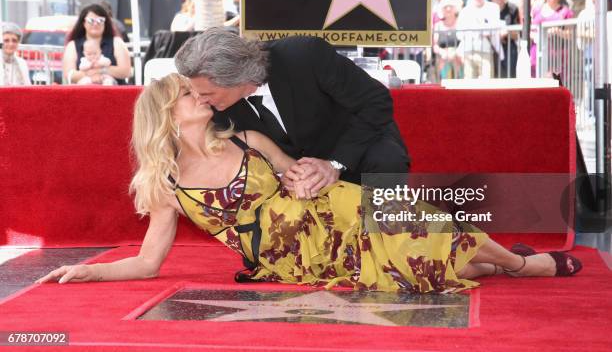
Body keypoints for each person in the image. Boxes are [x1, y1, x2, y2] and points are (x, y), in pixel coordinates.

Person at [36, 74, 582, 290]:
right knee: (428, 267)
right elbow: (148, 262)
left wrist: (302, 172)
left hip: (333, 208)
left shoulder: (245, 138)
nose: (200, 94)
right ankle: (503, 261)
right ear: (165, 116)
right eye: (186, 94)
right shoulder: (167, 184)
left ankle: (521, 263)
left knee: (423, 220)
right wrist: (92, 272)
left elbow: (297, 167)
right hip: (297, 255)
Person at [173, 28, 410, 195]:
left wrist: (336, 163)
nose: (200, 100)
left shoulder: (304, 55)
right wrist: (281, 176)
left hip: (353, 148)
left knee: (386, 159)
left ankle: (390, 249)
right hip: (292, 170)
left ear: (235, 79)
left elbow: (376, 102)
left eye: (207, 94)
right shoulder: (215, 109)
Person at [62, 3, 131, 85]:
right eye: (91, 21)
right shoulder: (72, 45)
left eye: (100, 20)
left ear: (105, 23)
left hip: (114, 92)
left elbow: (126, 71)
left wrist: (101, 70)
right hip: (84, 93)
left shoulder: (117, 42)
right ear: (84, 23)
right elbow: (68, 74)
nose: (95, 24)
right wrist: (90, 75)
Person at [530, 0, 574, 78]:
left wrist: (557, 31)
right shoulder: (536, 10)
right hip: (537, 55)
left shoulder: (565, 12)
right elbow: (529, 30)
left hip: (557, 57)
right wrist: (538, 36)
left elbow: (570, 34)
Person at [456, 0, 502, 79]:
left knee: (487, 85)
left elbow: (494, 28)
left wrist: (477, 29)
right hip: (468, 51)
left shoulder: (493, 8)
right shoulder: (465, 11)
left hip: (486, 50)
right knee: (469, 84)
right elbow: (459, 33)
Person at [489, 0, 520, 78]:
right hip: (493, 47)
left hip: (509, 47)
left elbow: (517, 32)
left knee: (509, 75)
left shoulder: (512, 9)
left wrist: (506, 33)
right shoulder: (488, 10)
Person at [433, 0, 463, 79]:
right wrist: (443, 53)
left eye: (451, 6)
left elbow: (465, 40)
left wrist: (455, 53)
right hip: (442, 57)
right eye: (445, 7)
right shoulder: (438, 25)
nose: (448, 9)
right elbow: (435, 45)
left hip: (458, 57)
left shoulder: (460, 23)